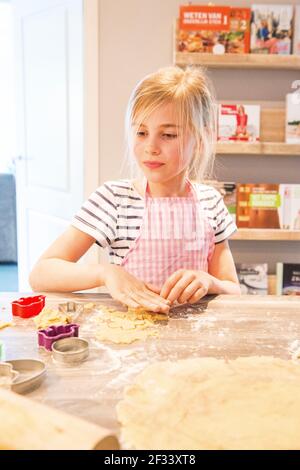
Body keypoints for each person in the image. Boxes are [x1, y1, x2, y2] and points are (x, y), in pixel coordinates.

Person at [29, 66, 241, 312]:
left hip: (195, 340)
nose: (151, 146)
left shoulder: (211, 202)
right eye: (141, 132)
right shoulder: (114, 200)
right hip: (133, 338)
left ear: (201, 139)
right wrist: (106, 273)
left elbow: (232, 288)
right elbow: (41, 274)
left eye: (168, 135)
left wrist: (210, 281)